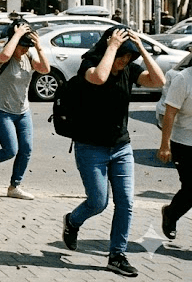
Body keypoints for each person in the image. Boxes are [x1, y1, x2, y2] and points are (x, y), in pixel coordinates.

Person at [61, 26, 165, 278]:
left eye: (129, 58)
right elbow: (99, 77)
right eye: (122, 57)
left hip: (121, 147)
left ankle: (116, 256)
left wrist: (140, 47)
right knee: (98, 202)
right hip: (90, 147)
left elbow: (159, 81)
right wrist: (112, 48)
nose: (125, 62)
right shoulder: (89, 63)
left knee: (126, 203)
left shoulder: (129, 68)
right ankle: (72, 221)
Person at [0, 20, 49, 199]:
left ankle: (14, 187)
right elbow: (6, 55)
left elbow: (45, 69)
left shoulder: (29, 57)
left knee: (27, 149)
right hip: (1, 109)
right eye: (22, 46)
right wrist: (16, 35)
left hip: (22, 111)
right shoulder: (2, 54)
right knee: (10, 150)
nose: (24, 50)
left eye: (27, 47)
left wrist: (38, 47)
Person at [158, 63, 192, 241]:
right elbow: (169, 113)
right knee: (191, 189)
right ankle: (171, 214)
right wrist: (165, 145)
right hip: (184, 144)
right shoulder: (183, 79)